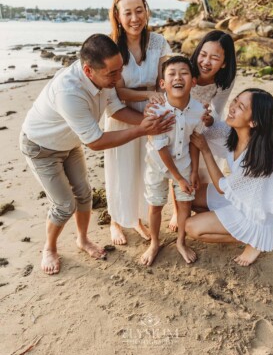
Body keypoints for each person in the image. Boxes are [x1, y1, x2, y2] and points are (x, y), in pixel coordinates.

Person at [20, 34, 174, 275]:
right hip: (41, 147)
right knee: (64, 204)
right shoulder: (69, 91)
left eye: (120, 70)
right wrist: (143, 130)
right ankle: (49, 248)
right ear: (88, 71)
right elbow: (96, 141)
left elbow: (116, 109)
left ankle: (82, 240)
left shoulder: (107, 79)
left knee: (84, 195)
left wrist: (152, 124)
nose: (119, 78)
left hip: (69, 144)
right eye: (112, 74)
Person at [185, 88, 273, 266]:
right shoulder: (233, 132)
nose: (232, 107)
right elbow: (209, 131)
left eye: (241, 107)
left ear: (253, 122)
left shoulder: (259, 158)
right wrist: (206, 118)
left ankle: (254, 240)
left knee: (191, 228)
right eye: (235, 101)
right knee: (191, 196)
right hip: (238, 199)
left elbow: (223, 188)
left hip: (253, 216)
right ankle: (220, 221)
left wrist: (206, 151)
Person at [104, 0, 171, 245]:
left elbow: (163, 81)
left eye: (139, 11)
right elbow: (117, 91)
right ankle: (116, 220)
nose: (135, 18)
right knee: (121, 168)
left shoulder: (158, 42)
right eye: (128, 13)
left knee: (146, 167)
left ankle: (138, 219)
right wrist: (146, 95)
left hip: (152, 112)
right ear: (118, 17)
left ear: (147, 11)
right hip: (122, 114)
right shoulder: (112, 47)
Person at [168, 30, 237, 231]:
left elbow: (218, 108)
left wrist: (208, 120)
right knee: (181, 166)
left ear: (224, 63)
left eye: (214, 58)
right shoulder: (187, 70)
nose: (206, 62)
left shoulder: (226, 79)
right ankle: (176, 210)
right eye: (203, 54)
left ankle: (200, 201)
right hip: (179, 120)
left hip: (205, 122)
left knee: (203, 168)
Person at [142, 56, 205, 266]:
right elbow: (160, 148)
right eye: (171, 74)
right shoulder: (156, 110)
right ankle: (154, 242)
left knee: (184, 204)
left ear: (193, 81)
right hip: (157, 164)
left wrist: (194, 171)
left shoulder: (198, 110)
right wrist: (178, 178)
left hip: (184, 163)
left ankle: (180, 242)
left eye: (184, 73)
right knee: (156, 205)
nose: (178, 77)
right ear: (162, 83)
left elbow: (195, 142)